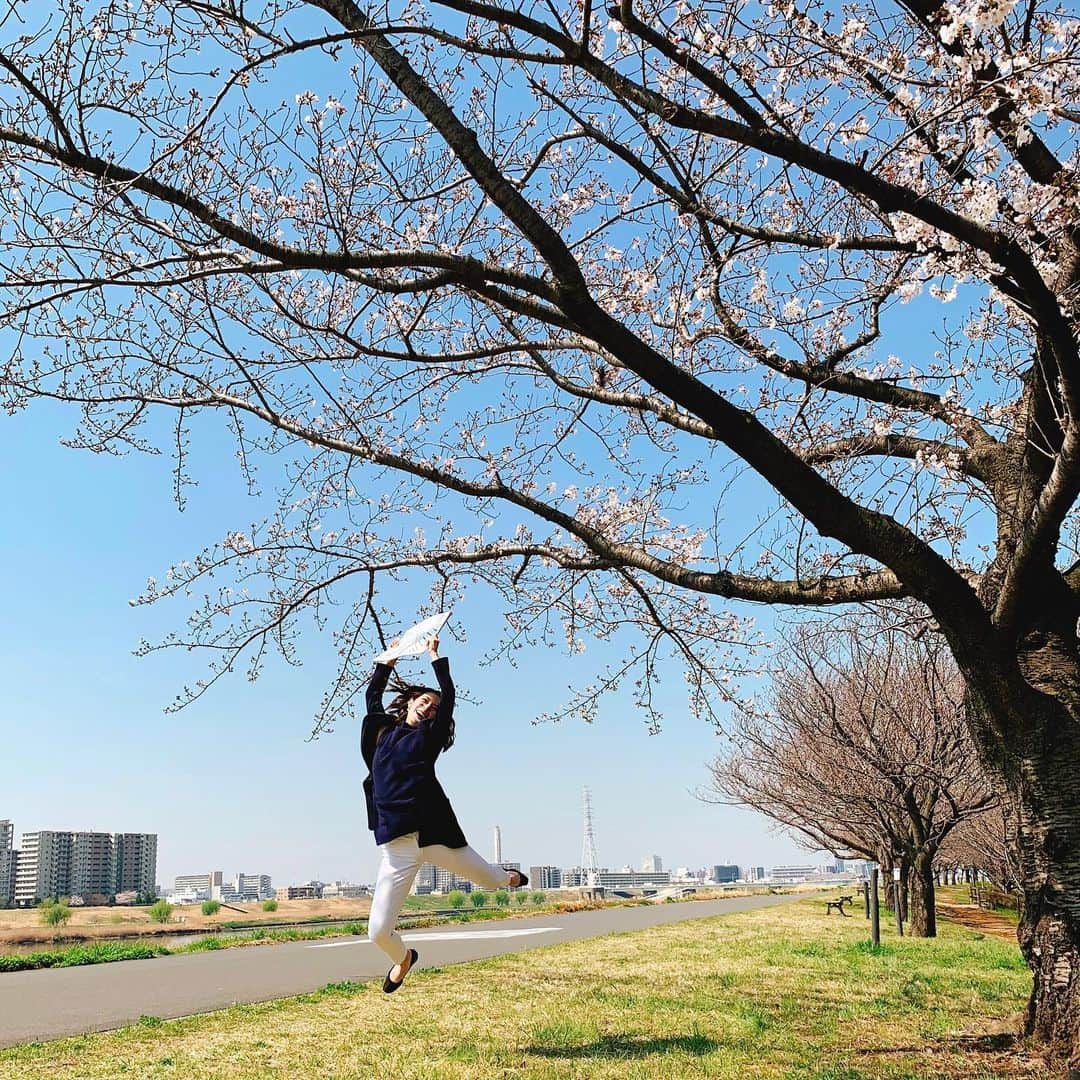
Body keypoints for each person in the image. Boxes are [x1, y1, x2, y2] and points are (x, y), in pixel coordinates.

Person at [361, 633, 528, 992]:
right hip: (398, 846)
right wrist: (386, 663)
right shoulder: (381, 733)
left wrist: (436, 658)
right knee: (377, 931)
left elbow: (448, 700)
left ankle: (510, 876)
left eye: (434, 708)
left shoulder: (428, 739)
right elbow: (373, 699)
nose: (429, 708)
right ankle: (403, 960)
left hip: (437, 835)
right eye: (424, 701)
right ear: (408, 702)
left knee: (490, 880)